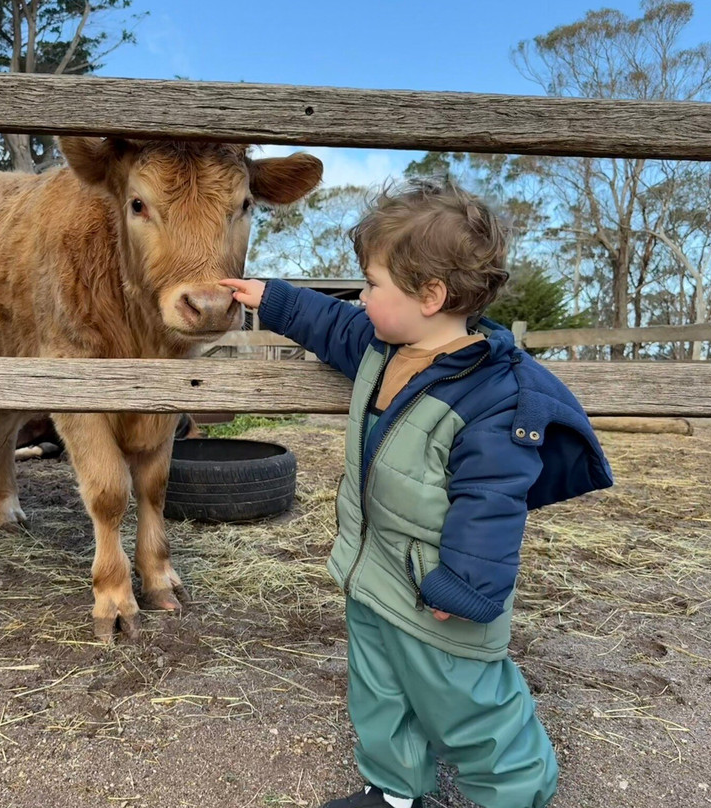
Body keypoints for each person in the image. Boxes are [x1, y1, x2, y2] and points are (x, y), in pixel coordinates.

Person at [221, 180, 613, 808]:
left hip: (441, 591)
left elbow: (492, 503)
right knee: (379, 693)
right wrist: (273, 299)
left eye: (373, 284)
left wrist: (468, 588)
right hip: (374, 574)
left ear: (430, 296)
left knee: (468, 707)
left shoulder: (494, 397)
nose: (362, 296)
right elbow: (329, 323)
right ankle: (396, 792)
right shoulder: (384, 346)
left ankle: (515, 795)